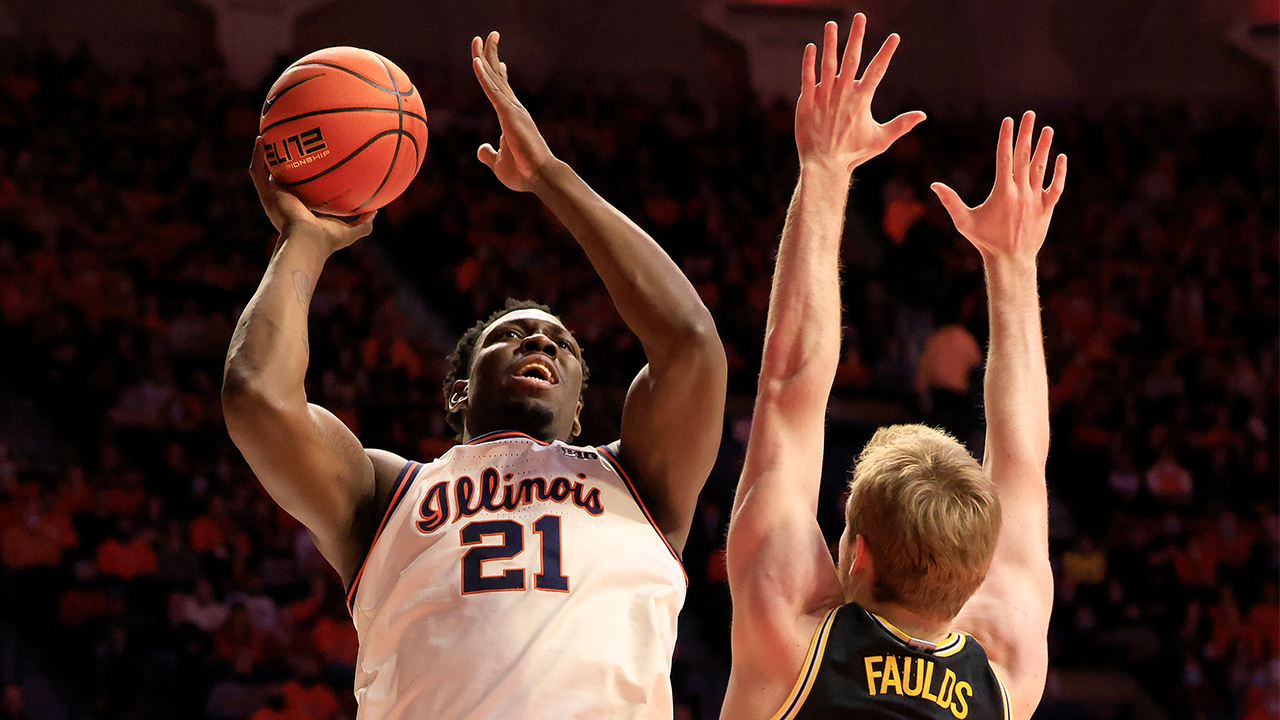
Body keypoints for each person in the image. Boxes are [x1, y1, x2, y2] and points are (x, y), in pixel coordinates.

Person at [222, 32, 727, 719]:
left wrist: (550, 174)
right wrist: (304, 241)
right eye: (510, 336)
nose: (538, 341)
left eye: (560, 343)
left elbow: (691, 343)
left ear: (581, 410)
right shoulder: (382, 493)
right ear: (460, 390)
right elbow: (258, 397)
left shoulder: (641, 481)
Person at [721, 16, 1065, 720]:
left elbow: (788, 386)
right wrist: (1013, 262)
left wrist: (821, 170)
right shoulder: (1005, 671)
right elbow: (1025, 465)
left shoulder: (791, 642)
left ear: (859, 554)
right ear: (975, 577)